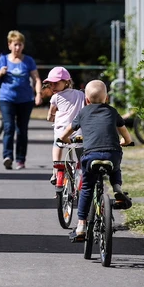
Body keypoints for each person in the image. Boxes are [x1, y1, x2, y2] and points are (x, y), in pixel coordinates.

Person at [58, 80, 133, 241]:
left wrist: (66, 140)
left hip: (91, 155)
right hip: (111, 154)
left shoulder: (83, 112)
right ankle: (117, 187)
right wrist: (125, 142)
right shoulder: (113, 112)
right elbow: (127, 137)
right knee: (115, 163)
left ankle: (81, 226)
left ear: (86, 99)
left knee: (86, 188)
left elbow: (65, 134)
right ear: (107, 98)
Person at [0, 30, 42, 170]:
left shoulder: (28, 61)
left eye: (20, 45)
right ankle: (7, 156)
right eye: (15, 45)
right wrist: (0, 73)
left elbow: (36, 78)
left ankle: (20, 159)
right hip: (7, 98)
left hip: (25, 100)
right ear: (9, 45)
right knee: (9, 127)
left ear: (23, 46)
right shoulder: (3, 60)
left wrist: (38, 94)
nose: (17, 48)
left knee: (22, 130)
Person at [42, 66, 85, 186]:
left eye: (55, 83)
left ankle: (56, 170)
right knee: (81, 153)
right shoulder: (80, 95)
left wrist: (52, 118)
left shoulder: (55, 97)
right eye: (50, 84)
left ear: (66, 82)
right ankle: (82, 172)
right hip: (79, 133)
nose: (52, 87)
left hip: (62, 134)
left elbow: (50, 116)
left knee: (57, 144)